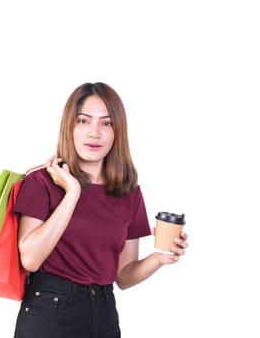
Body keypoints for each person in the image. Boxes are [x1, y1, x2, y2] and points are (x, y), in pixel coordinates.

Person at [12, 82, 188, 338]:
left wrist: (159, 259)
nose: (94, 133)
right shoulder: (42, 182)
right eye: (83, 121)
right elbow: (30, 259)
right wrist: (71, 193)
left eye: (106, 123)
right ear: (69, 126)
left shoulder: (128, 191)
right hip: (49, 310)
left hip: (104, 311)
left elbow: (124, 277)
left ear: (118, 131)